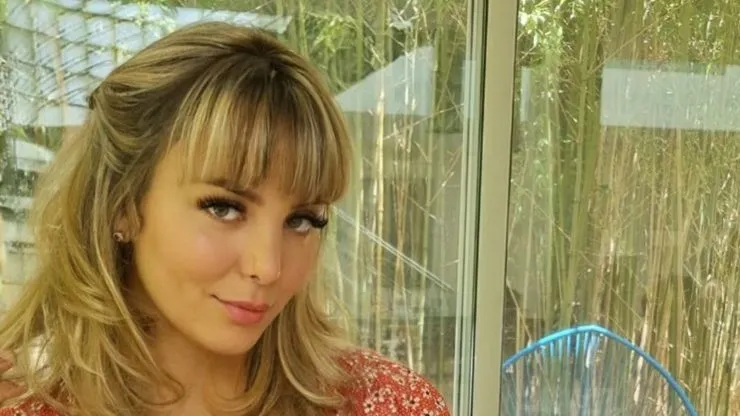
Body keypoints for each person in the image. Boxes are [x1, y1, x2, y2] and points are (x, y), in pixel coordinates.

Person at [0, 22, 451, 416]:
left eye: (302, 220)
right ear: (122, 204)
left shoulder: (392, 405)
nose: (268, 267)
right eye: (224, 208)